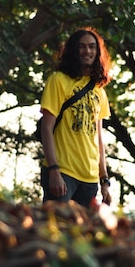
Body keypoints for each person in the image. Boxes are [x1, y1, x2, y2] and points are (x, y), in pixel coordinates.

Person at [40, 27, 112, 208]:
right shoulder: (58, 80)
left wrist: (104, 180)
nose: (87, 51)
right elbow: (46, 128)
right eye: (81, 47)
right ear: (73, 50)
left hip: (89, 178)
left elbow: (99, 138)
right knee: (54, 231)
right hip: (63, 170)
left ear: (97, 52)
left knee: (81, 235)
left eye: (91, 47)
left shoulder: (99, 92)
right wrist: (53, 170)